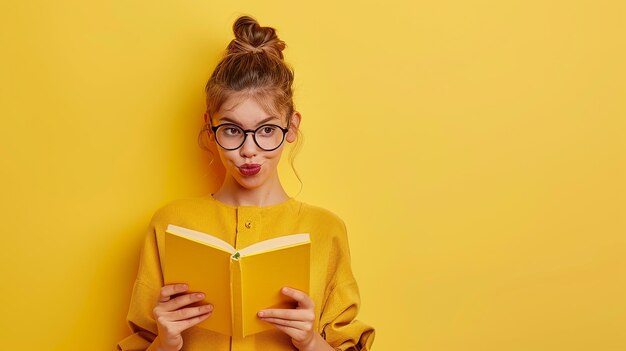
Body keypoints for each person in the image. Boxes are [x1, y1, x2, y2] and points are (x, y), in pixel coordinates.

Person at [117, 15, 375, 351]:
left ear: (292, 127)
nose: (249, 150)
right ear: (210, 128)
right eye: (232, 130)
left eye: (267, 130)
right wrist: (166, 341)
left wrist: (310, 341)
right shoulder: (170, 225)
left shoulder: (326, 230)